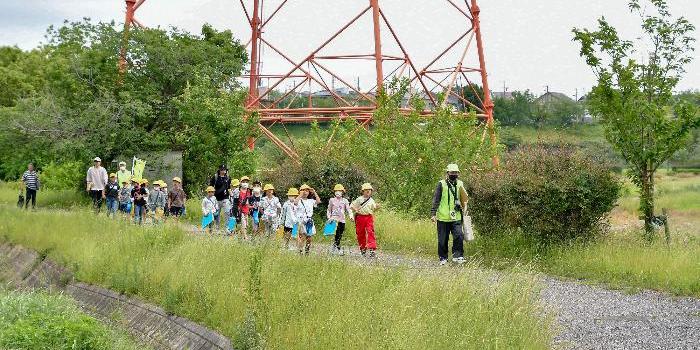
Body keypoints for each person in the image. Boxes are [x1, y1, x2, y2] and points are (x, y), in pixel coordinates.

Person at [430, 163, 469, 265]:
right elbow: (436, 199)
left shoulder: (460, 184)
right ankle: (443, 258)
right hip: (443, 217)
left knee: (459, 236)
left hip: (456, 216)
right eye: (452, 172)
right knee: (443, 239)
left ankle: (458, 256)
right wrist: (433, 213)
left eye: (456, 172)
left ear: (458, 173)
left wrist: (464, 208)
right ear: (447, 173)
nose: (454, 174)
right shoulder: (441, 184)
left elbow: (464, 198)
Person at [351, 183, 380, 257]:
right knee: (360, 233)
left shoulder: (371, 200)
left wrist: (377, 207)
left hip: (369, 217)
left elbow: (373, 209)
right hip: (360, 217)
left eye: (369, 190)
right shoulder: (359, 199)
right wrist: (355, 209)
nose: (368, 192)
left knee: (370, 232)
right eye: (366, 190)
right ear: (363, 191)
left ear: (371, 192)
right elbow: (352, 205)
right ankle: (363, 248)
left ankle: (372, 249)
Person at [327, 184, 354, 255]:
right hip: (334, 220)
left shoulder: (345, 201)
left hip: (342, 220)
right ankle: (339, 249)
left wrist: (351, 216)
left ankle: (334, 246)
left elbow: (349, 209)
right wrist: (329, 218)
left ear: (342, 192)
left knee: (340, 235)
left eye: (339, 191)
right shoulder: (331, 200)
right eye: (336, 191)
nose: (337, 192)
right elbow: (329, 210)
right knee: (337, 234)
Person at [297, 184, 321, 255]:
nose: (305, 192)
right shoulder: (299, 200)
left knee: (309, 238)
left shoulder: (311, 200)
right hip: (302, 221)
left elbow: (318, 201)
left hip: (309, 221)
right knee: (303, 237)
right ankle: (300, 252)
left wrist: (314, 192)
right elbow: (295, 202)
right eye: (303, 190)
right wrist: (300, 195)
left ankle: (307, 252)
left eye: (307, 191)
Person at [209, 165, 231, 229]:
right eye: (222, 169)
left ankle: (227, 227)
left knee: (227, 212)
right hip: (216, 198)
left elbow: (229, 187)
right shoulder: (215, 177)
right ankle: (217, 227)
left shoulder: (228, 177)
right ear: (219, 170)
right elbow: (210, 187)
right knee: (216, 214)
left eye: (224, 169)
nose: (223, 171)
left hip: (225, 198)